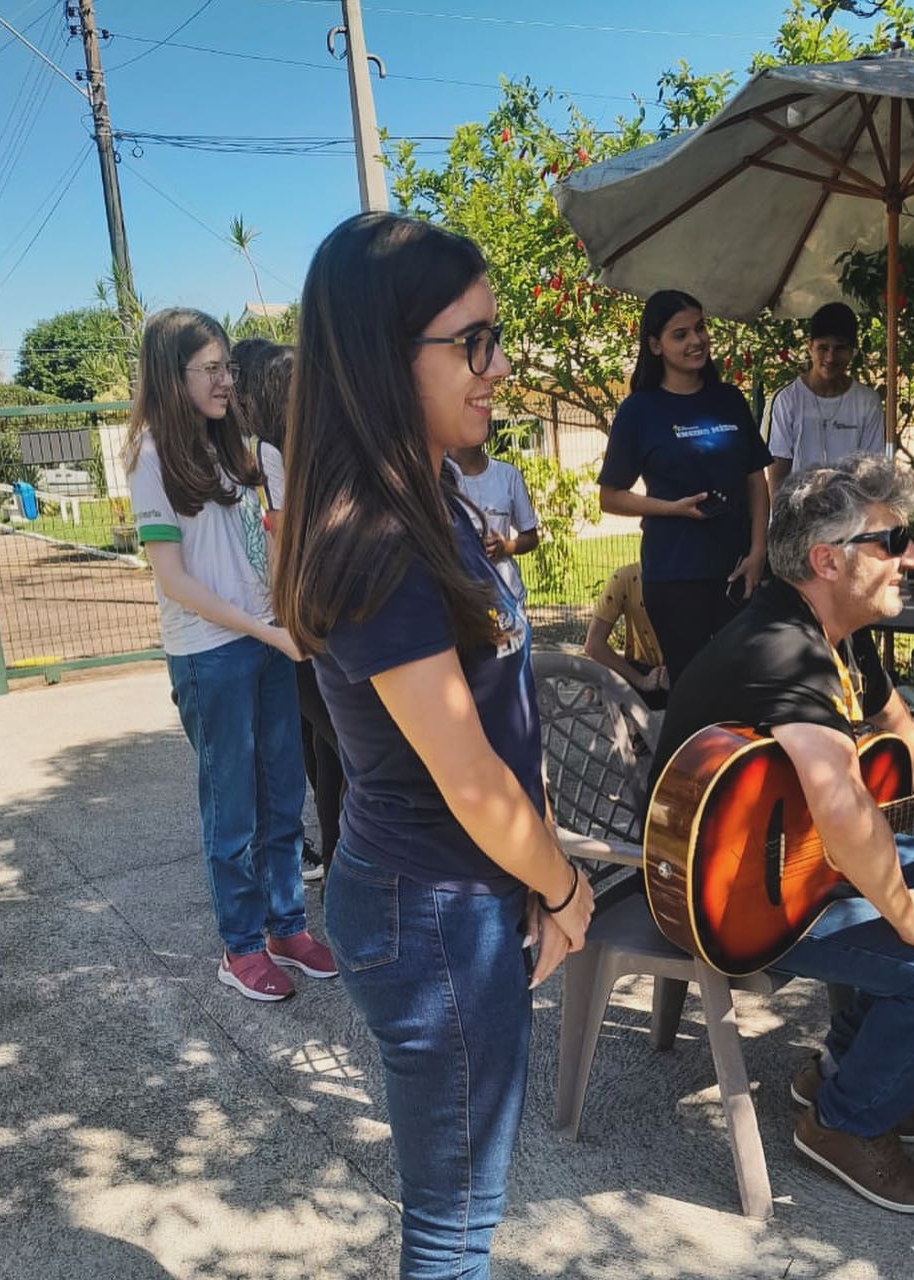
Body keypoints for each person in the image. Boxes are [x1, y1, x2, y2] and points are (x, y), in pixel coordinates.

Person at [271, 212, 594, 1279]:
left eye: (494, 338)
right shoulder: (373, 535)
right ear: (380, 353)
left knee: (461, 1211)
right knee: (453, 1229)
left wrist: (533, 870)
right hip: (435, 914)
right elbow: (464, 772)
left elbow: (502, 716)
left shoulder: (430, 497)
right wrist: (558, 886)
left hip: (455, 896)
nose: (497, 367)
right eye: (473, 342)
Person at [652, 453, 914, 1215]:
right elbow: (841, 804)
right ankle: (845, 1125)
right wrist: (906, 912)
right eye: (893, 540)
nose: (912, 557)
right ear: (826, 559)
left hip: (795, 865)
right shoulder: (786, 645)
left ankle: (848, 1070)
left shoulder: (838, 632)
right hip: (731, 897)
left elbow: (895, 722)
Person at [124, 308, 337, 1002]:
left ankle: (286, 927)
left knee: (284, 793)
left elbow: (272, 548)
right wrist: (263, 627)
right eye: (209, 369)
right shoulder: (152, 459)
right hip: (211, 653)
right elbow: (175, 581)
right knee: (233, 808)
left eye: (227, 368)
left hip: (267, 640)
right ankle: (240, 945)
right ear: (171, 375)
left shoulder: (250, 453)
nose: (225, 380)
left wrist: (287, 614)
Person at [598, 289, 771, 682]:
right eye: (680, 334)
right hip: (675, 574)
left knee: (743, 683)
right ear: (655, 345)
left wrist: (758, 551)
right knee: (693, 688)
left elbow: (755, 479)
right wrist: (672, 508)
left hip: (738, 570)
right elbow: (610, 497)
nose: (696, 340)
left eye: (700, 327)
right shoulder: (639, 411)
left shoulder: (728, 399)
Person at [232, 337, 339, 885]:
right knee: (330, 741)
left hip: (294, 617)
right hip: (300, 618)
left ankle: (338, 857)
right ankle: (338, 859)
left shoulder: (276, 450)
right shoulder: (272, 452)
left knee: (327, 745)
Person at [764, 302, 884, 493]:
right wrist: (782, 518)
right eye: (823, 347)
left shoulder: (867, 402)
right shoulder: (787, 400)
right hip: (797, 516)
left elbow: (872, 472)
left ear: (853, 351)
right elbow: (777, 475)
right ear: (809, 347)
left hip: (851, 516)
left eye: (840, 348)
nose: (830, 357)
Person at [447, 429, 539, 606]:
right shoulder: (436, 476)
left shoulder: (508, 475)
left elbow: (531, 537)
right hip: (457, 600)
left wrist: (507, 547)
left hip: (506, 598)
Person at [583, 560, 667, 709]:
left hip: (687, 671)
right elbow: (593, 645)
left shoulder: (701, 575)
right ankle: (632, 728)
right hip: (646, 670)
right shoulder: (625, 578)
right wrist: (641, 680)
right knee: (595, 686)